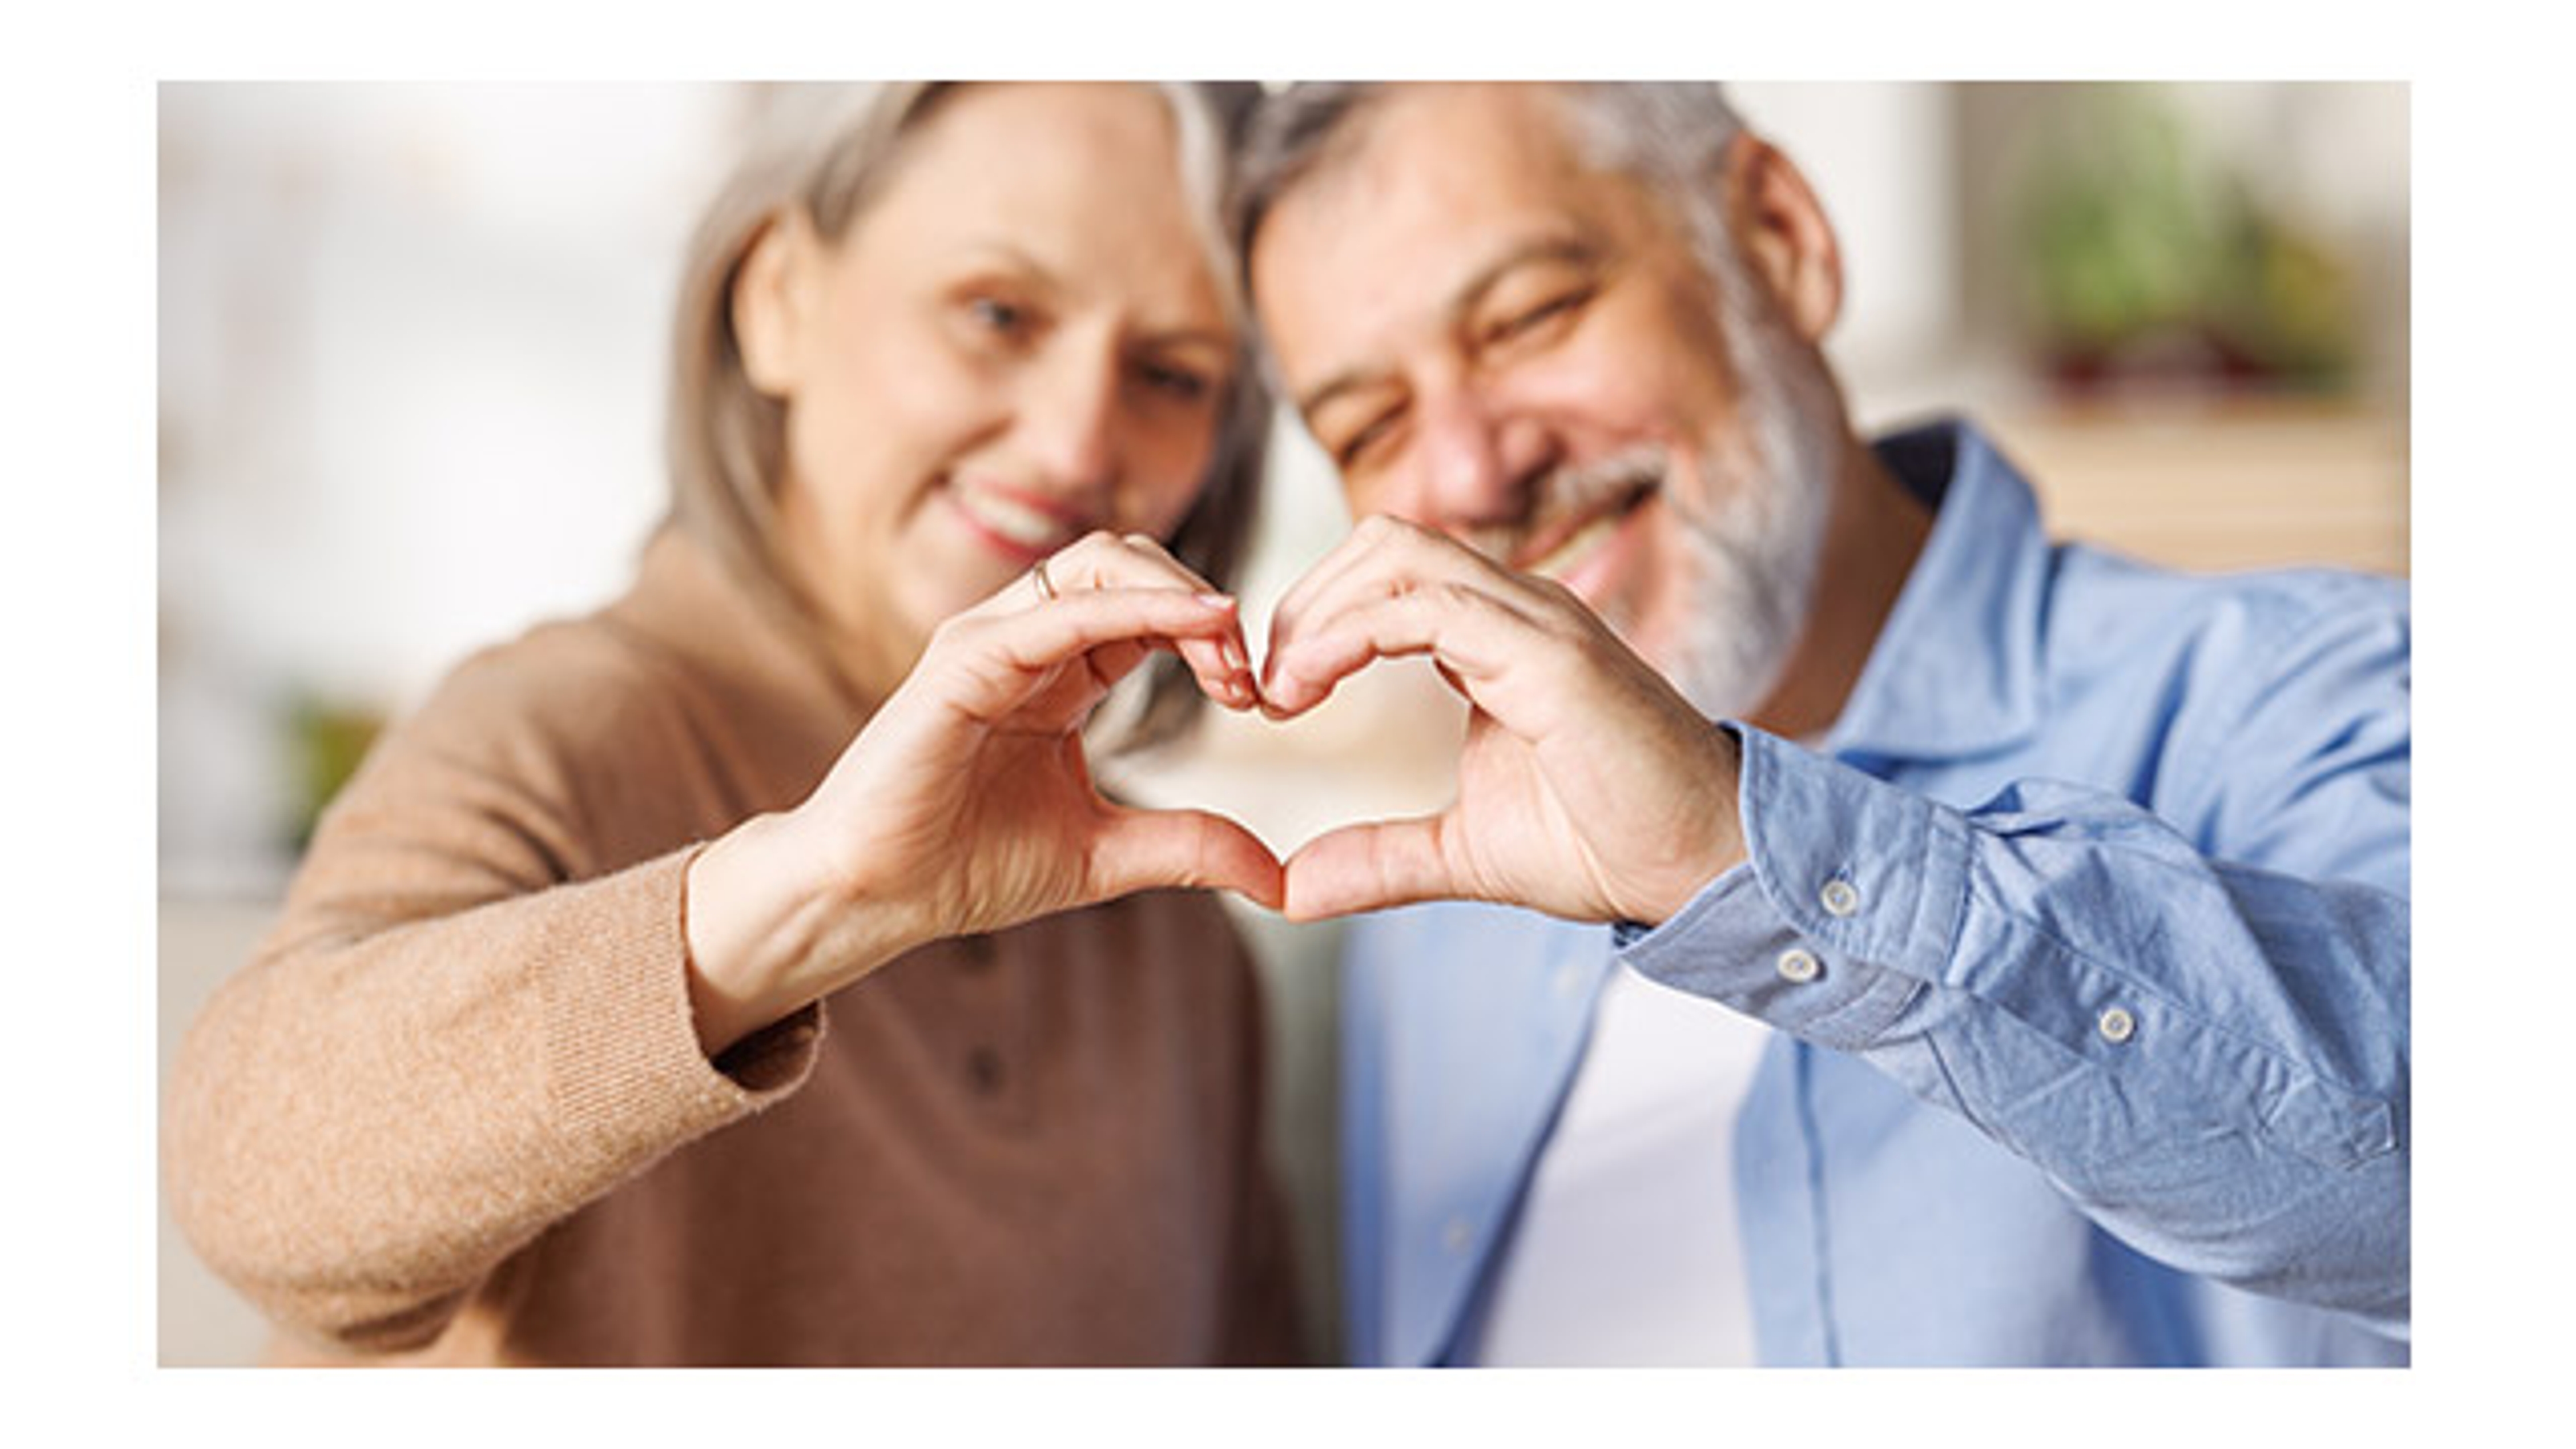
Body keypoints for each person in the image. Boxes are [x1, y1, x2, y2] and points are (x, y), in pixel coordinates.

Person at [1230, 82, 2408, 1366]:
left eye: (1528, 316)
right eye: (1370, 424)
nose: (1465, 472)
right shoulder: (1436, 914)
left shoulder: (2304, 687)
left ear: (1780, 239)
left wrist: (1744, 857)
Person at [164, 81, 1307, 1366]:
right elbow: (251, 1179)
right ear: (779, 302)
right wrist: (814, 895)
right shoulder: (565, 729)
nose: (1074, 442)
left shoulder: (1170, 939)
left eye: (1172, 373)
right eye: (997, 313)